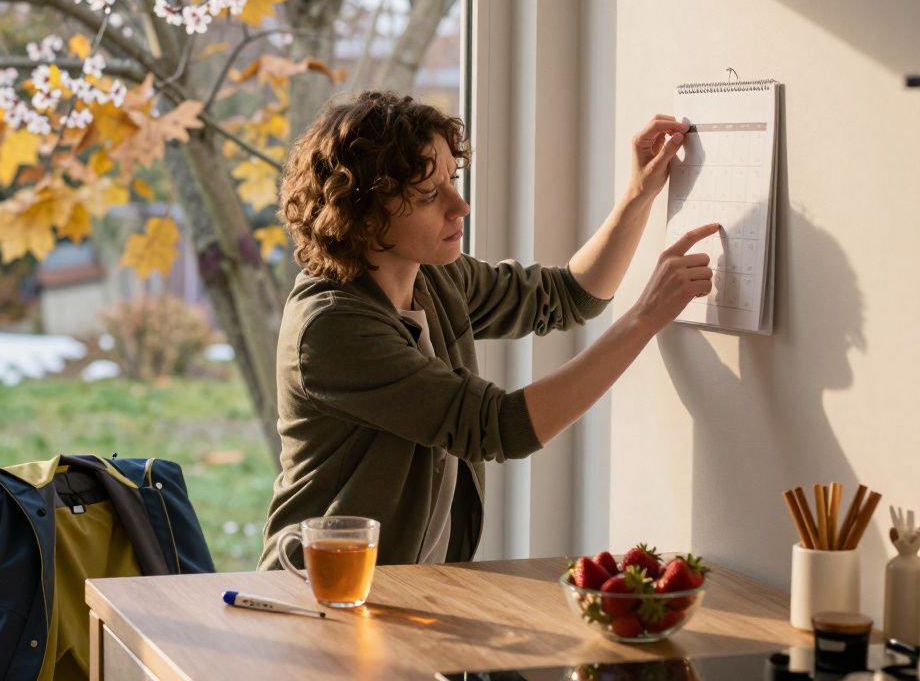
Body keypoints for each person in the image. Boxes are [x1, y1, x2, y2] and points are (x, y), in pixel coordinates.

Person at [258, 91, 718, 569]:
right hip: (314, 592)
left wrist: (638, 194)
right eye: (429, 195)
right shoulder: (332, 327)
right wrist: (645, 317)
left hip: (405, 591)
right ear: (366, 213)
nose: (461, 206)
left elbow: (566, 296)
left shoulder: (432, 277)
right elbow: (501, 427)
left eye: (452, 180)